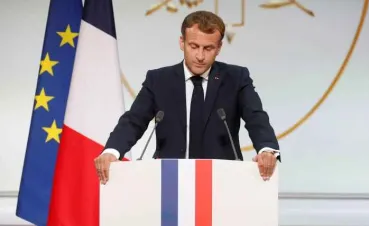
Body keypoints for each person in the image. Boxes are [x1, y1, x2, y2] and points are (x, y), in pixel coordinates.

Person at [94, 10, 280, 185]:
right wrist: (112, 151)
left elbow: (256, 117)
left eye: (208, 48)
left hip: (222, 182)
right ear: (181, 42)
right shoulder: (158, 80)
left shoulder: (236, 78)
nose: (200, 56)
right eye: (194, 46)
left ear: (219, 48)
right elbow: (134, 120)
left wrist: (266, 150)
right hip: (169, 182)